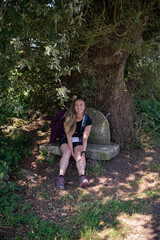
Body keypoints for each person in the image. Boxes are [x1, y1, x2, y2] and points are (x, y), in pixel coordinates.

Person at [56, 97, 92, 190]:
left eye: (81, 105)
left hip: (78, 140)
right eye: (76, 105)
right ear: (74, 107)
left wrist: (84, 152)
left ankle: (82, 177)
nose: (78, 107)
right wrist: (71, 151)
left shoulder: (87, 119)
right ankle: (60, 177)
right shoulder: (69, 118)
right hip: (66, 139)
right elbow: (68, 136)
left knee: (79, 153)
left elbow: (85, 137)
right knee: (67, 152)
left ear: (84, 107)